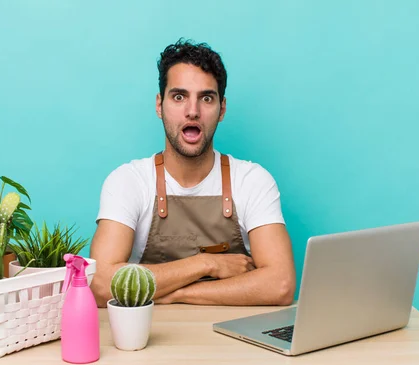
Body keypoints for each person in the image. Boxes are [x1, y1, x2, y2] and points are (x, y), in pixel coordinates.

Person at [89, 38, 296, 307]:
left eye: (206, 98)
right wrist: (206, 263)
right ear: (159, 105)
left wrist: (179, 294)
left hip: (236, 342)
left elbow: (280, 285)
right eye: (179, 96)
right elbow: (101, 283)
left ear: (221, 109)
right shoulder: (128, 181)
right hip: (147, 340)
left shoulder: (252, 180)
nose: (192, 111)